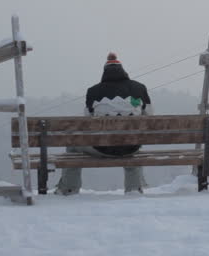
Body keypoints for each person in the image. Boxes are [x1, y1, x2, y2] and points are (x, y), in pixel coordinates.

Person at [55, 52, 153, 195]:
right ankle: (134, 188)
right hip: (131, 147)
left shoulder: (93, 91)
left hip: (101, 148)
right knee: (131, 145)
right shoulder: (139, 88)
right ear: (123, 71)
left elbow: (88, 119)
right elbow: (149, 116)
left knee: (73, 144)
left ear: (104, 73)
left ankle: (69, 188)